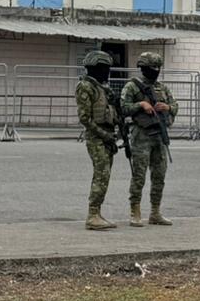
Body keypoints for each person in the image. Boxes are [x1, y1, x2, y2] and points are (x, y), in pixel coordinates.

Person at [121, 52, 177, 227]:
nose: (156, 71)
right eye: (152, 67)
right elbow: (123, 107)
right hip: (141, 136)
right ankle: (135, 212)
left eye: (158, 68)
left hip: (160, 136)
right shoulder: (132, 86)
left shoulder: (162, 88)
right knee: (139, 176)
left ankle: (155, 212)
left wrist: (167, 107)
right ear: (143, 68)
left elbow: (175, 106)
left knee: (159, 175)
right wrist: (141, 105)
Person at [75, 50, 119, 231]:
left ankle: (97, 212)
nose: (107, 72)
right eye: (104, 68)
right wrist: (104, 134)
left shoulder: (102, 87)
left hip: (106, 135)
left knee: (105, 175)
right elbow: (85, 118)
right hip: (97, 137)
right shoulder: (86, 87)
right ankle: (92, 215)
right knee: (101, 175)